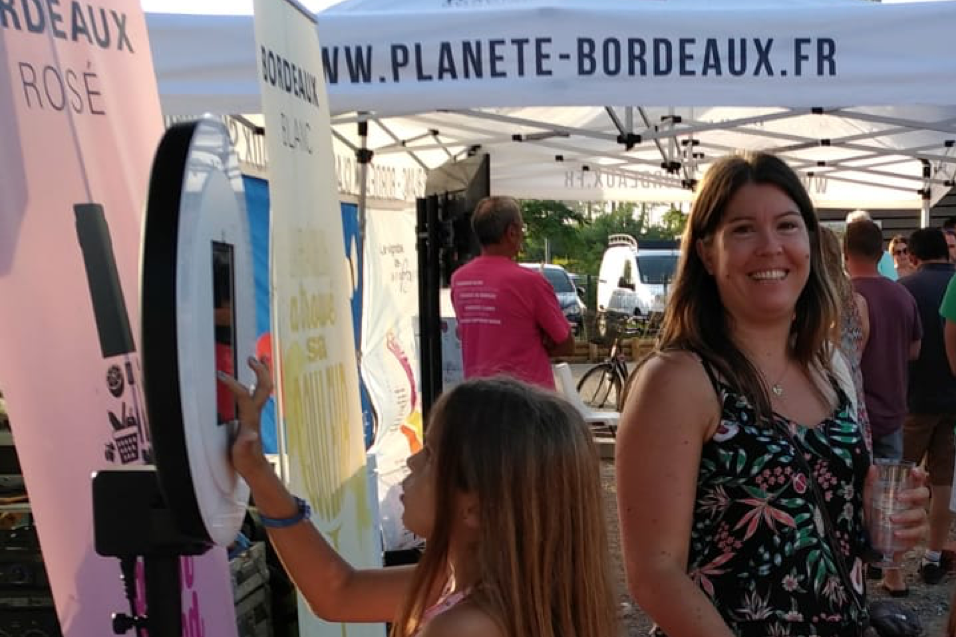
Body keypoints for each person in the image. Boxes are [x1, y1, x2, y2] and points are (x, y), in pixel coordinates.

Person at [616, 152, 929, 637]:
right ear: (705, 250)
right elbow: (654, 576)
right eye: (742, 229)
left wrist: (878, 524)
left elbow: (826, 535)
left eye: (787, 225)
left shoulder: (827, 366)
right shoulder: (678, 380)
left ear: (809, 242)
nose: (770, 247)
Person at [220, 361, 617, 637]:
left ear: (475, 508)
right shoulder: (493, 588)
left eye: (430, 455)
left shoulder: (465, 626)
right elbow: (337, 592)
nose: (411, 461)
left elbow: (337, 593)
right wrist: (258, 471)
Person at [844, 219, 922, 594]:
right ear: (882, 253)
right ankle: (893, 574)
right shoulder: (901, 295)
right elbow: (915, 350)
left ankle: (859, 569)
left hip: (852, 417)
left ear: (846, 253)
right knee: (891, 496)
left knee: (850, 495)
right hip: (892, 410)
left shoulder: (841, 297)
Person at [450, 196, 574, 389]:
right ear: (512, 232)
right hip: (528, 400)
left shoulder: (459, 280)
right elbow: (566, 343)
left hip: (478, 396)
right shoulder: (530, 282)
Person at [897, 228, 956, 585]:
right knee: (944, 479)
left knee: (901, 478)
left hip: (915, 399)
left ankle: (892, 557)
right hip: (953, 399)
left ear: (914, 257)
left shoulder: (905, 290)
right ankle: (933, 556)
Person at [820, 226, 872, 452]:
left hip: (825, 390)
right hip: (853, 387)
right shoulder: (857, 300)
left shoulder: (815, 300)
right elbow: (861, 347)